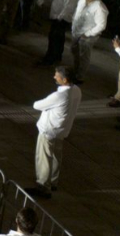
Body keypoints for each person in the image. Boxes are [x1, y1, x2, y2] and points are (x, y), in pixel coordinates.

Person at [29, 66, 81, 199]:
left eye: (56, 76)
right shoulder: (76, 90)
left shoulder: (59, 95)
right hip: (62, 129)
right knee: (57, 156)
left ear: (64, 80)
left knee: (44, 158)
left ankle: (43, 186)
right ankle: (53, 181)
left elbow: (36, 105)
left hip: (49, 130)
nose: (54, 77)